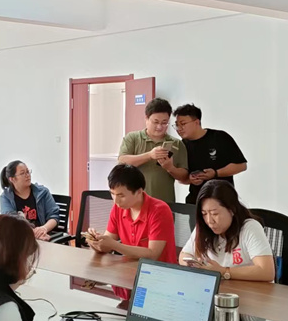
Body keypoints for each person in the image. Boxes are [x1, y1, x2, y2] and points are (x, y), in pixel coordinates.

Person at [86, 164, 178, 304]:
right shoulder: (118, 208)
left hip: (158, 279)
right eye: (112, 194)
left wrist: (114, 245)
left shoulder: (159, 210)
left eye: (121, 195)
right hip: (128, 275)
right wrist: (96, 241)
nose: (116, 201)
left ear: (139, 191)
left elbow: (153, 254)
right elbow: (107, 244)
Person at [179, 180, 274, 282]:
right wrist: (192, 264)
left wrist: (223, 271)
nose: (209, 221)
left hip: (250, 290)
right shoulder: (203, 227)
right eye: (204, 214)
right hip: (220, 288)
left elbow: (267, 271)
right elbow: (184, 255)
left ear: (232, 209)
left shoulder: (250, 228)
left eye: (214, 214)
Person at [117, 97, 188, 204]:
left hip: (164, 203)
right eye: (156, 122)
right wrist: (149, 155)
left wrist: (170, 168)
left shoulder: (177, 144)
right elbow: (122, 161)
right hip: (135, 203)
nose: (159, 127)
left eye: (164, 123)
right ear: (146, 118)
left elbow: (184, 177)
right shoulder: (133, 138)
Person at [172, 103, 247, 204]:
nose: (179, 128)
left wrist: (216, 173)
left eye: (183, 124)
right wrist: (190, 180)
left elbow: (241, 165)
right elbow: (182, 179)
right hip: (196, 201)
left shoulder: (219, 137)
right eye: (177, 125)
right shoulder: (182, 146)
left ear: (197, 122)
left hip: (223, 199)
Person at [0, 161, 60, 240]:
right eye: (22, 173)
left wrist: (44, 229)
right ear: (12, 179)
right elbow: (11, 220)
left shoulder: (43, 192)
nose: (27, 175)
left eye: (28, 171)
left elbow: (54, 216)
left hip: (43, 235)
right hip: (20, 237)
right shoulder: (6, 197)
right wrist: (33, 233)